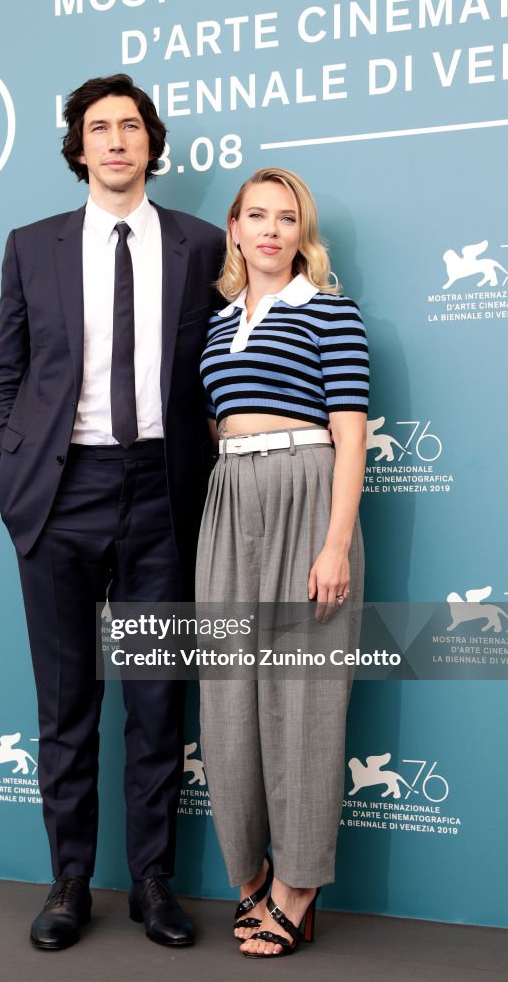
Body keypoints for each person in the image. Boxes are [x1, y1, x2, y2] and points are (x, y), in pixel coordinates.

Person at [0, 73, 224, 951]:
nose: (116, 140)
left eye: (131, 126)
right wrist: (11, 461)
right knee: (67, 703)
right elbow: (6, 371)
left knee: (159, 702)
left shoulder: (201, 246)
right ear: (77, 148)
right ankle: (69, 882)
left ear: (151, 145)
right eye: (99, 128)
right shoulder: (30, 245)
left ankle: (153, 882)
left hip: (164, 494)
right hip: (61, 494)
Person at [196, 167, 368, 959]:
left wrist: (333, 542)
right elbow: (216, 424)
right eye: (255, 215)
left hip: (306, 495)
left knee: (301, 699)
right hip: (231, 499)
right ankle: (251, 871)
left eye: (285, 217)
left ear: (302, 233)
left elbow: (349, 434)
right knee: (228, 698)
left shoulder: (328, 311)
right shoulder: (217, 323)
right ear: (233, 227)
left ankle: (298, 888)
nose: (269, 229)